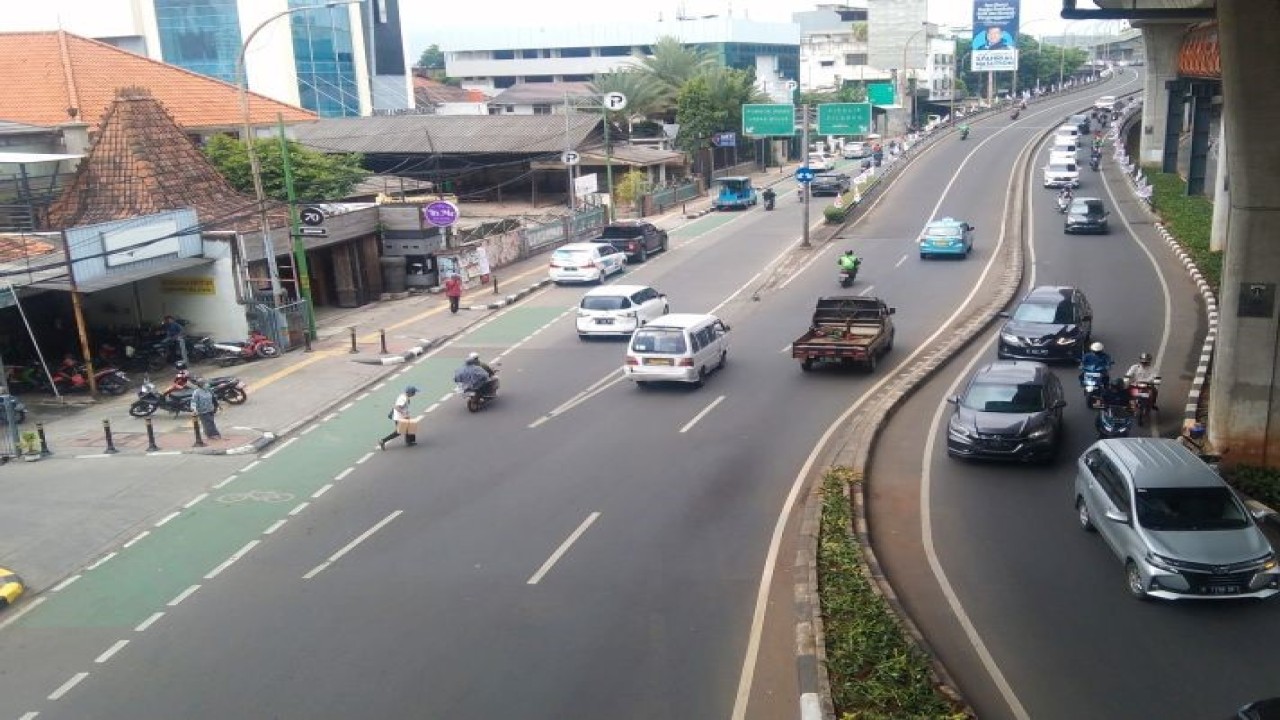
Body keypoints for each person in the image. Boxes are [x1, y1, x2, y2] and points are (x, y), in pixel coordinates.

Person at [378, 385, 418, 450]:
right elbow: (396, 407)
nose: (415, 394)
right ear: (410, 392)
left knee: (408, 427)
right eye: (414, 392)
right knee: (399, 432)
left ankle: (409, 442)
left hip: (402, 417)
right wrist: (404, 414)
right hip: (400, 418)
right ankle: (383, 441)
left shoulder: (404, 396)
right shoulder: (403, 398)